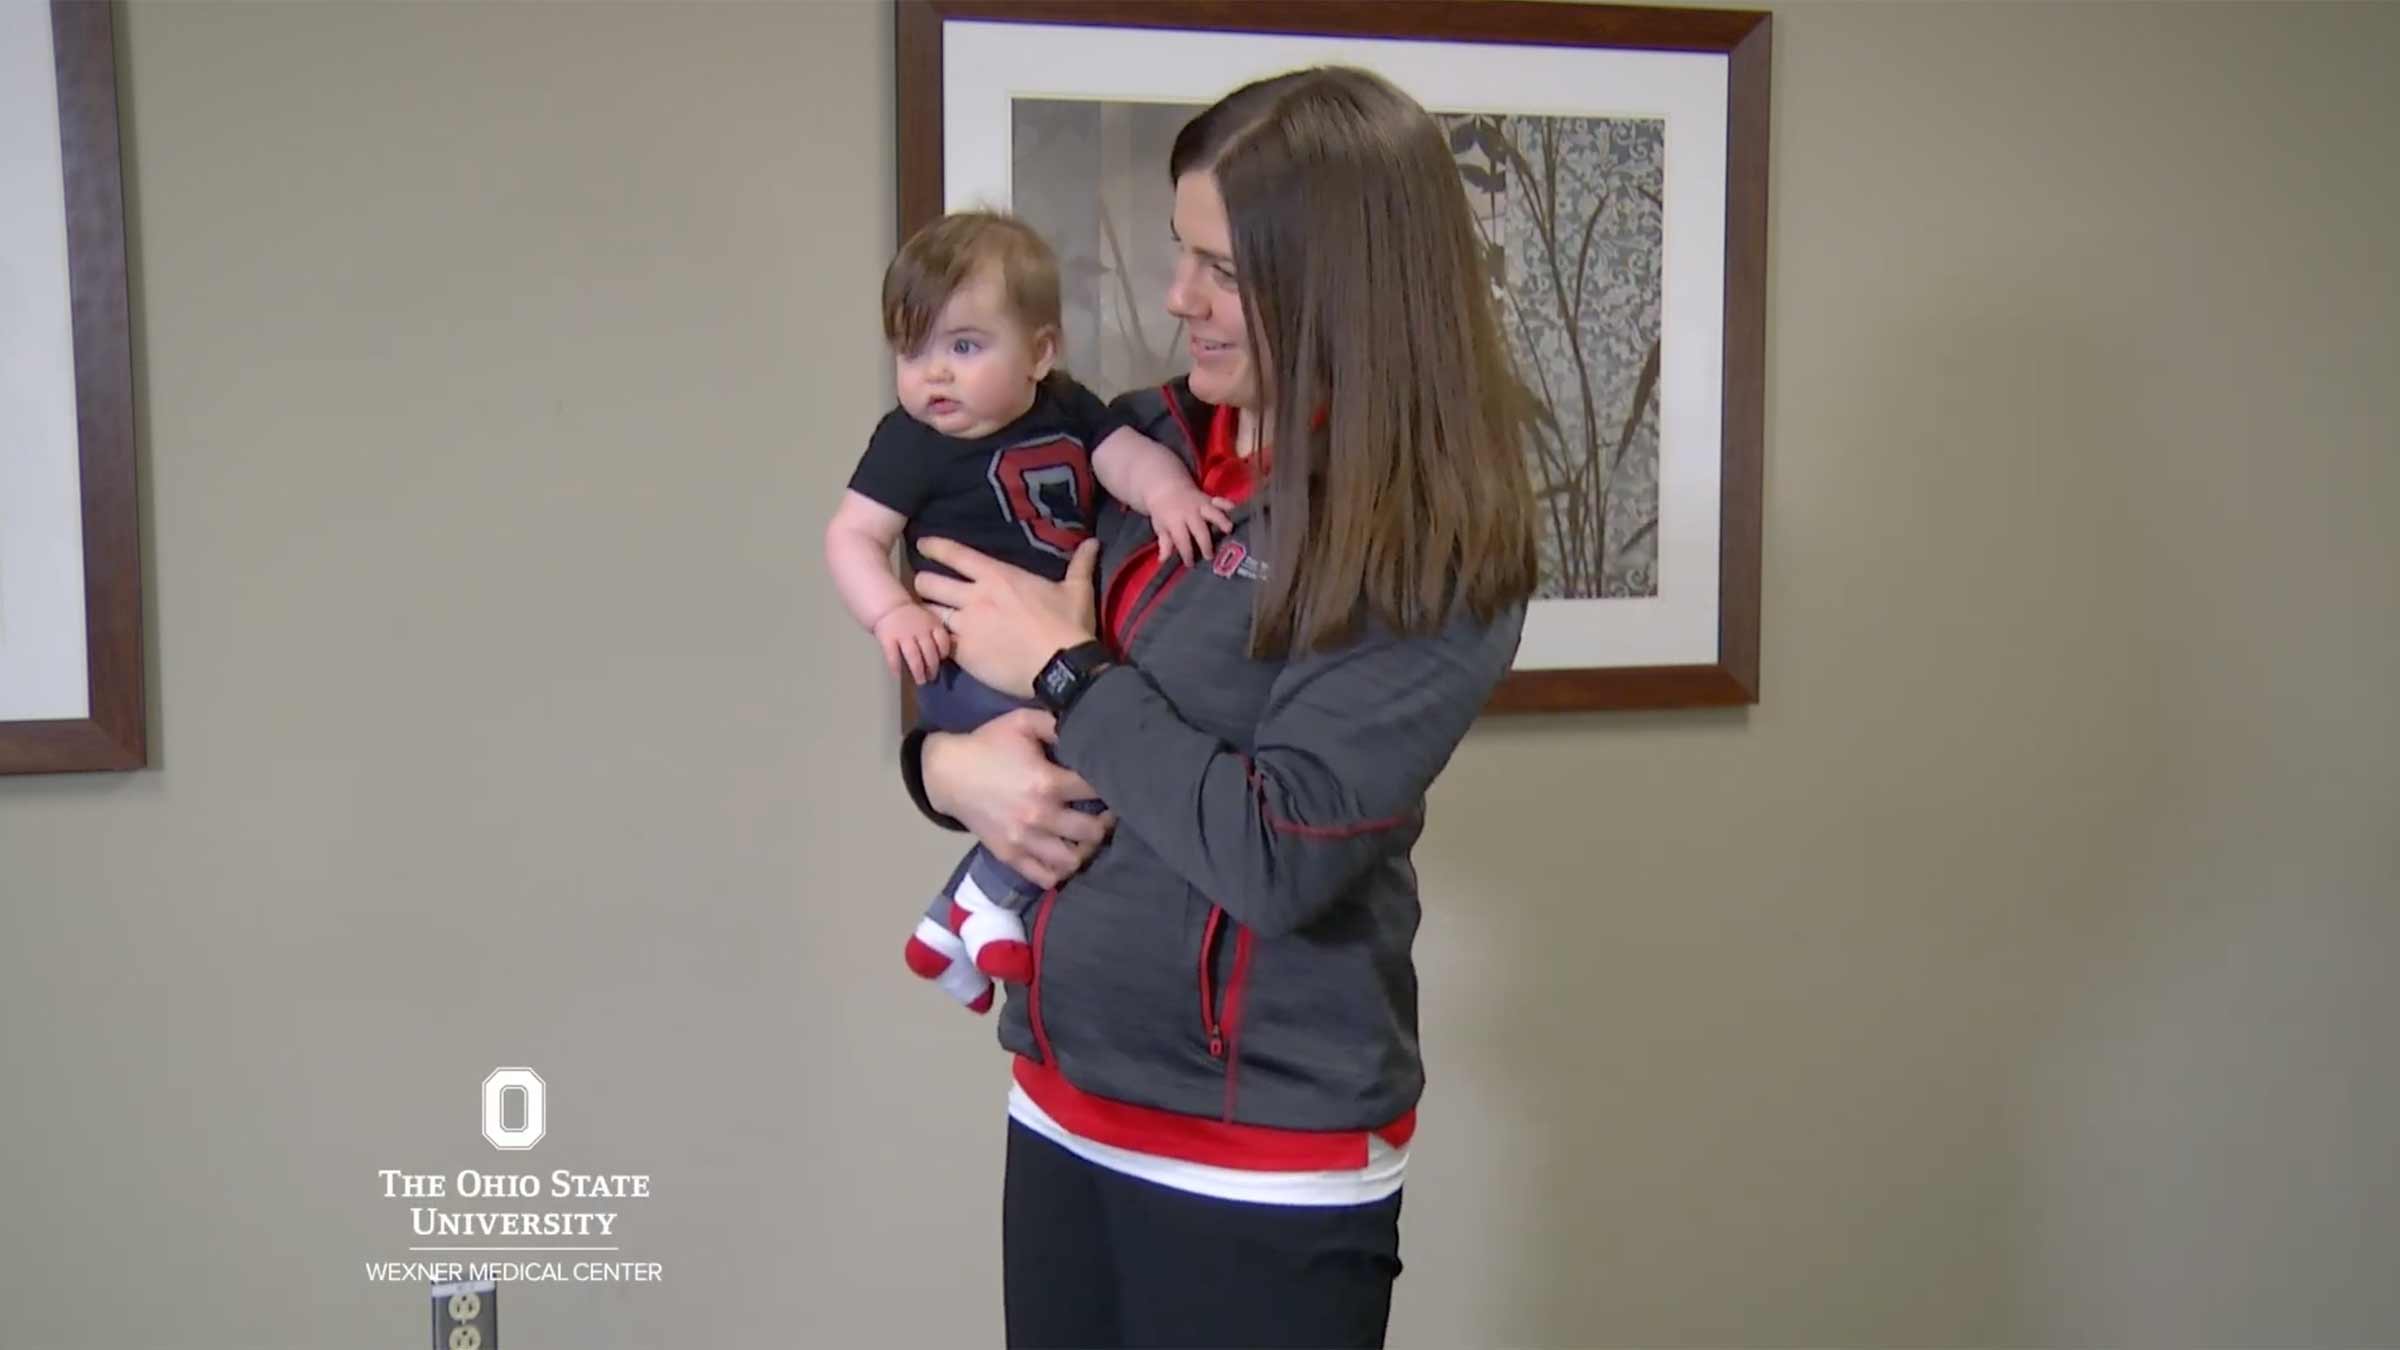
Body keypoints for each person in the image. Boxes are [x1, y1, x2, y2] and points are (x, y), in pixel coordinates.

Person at [901, 67, 1539, 1348]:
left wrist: (1070, 673)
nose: (1178, 299)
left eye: (1225, 272)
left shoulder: (1430, 539)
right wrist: (946, 772)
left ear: (1344, 286)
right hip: (1061, 1104)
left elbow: (1278, 852)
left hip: (1263, 1169)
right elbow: (960, 650)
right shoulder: (1130, 449)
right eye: (1179, 252)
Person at [825, 211, 1231, 1013]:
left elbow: (1128, 459)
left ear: (1040, 353)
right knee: (1087, 770)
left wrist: (1170, 495)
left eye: (963, 347)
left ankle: (950, 926)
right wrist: (891, 614)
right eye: (913, 351)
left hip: (1052, 654)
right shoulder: (910, 441)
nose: (933, 376)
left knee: (1088, 765)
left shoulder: (1067, 408)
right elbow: (851, 537)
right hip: (966, 663)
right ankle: (984, 905)